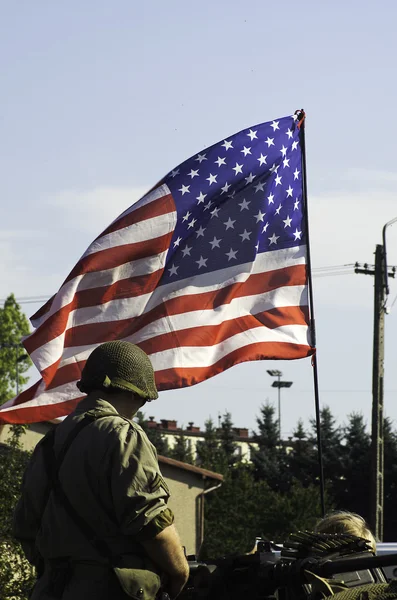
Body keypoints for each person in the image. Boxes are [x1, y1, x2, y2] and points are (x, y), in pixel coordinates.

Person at [13, 340, 190, 600]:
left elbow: (24, 527)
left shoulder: (49, 444)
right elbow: (151, 523)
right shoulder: (123, 435)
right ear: (132, 393)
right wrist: (180, 572)